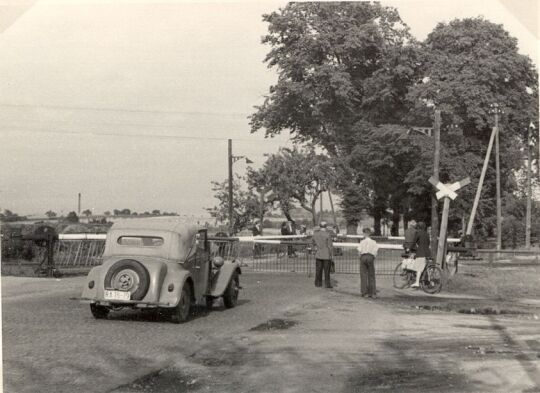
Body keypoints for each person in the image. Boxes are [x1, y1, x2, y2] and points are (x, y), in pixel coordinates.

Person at [357, 227, 379, 298]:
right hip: (370, 257)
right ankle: (372, 293)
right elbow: (375, 252)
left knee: (363, 275)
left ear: (364, 234)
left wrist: (361, 258)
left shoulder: (362, 242)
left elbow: (359, 252)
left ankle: (364, 292)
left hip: (363, 257)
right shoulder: (374, 242)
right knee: (371, 275)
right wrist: (372, 257)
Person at [311, 221, 333, 288]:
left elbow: (312, 243)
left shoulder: (315, 234)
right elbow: (330, 246)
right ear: (326, 226)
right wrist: (331, 254)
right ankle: (327, 284)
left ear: (319, 226)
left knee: (318, 270)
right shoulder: (328, 234)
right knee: (327, 270)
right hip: (326, 254)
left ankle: (318, 283)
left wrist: (314, 250)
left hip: (318, 253)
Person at [411, 221, 431, 288]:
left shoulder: (418, 233)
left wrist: (410, 249)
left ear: (418, 227)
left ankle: (417, 283)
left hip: (421, 253)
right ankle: (429, 281)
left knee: (419, 268)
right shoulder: (426, 234)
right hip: (427, 252)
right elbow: (428, 243)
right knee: (425, 267)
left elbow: (414, 242)